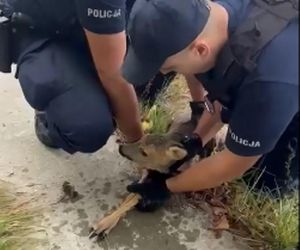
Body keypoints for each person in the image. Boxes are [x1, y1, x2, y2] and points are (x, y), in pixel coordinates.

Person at [121, 0, 299, 210]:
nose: (164, 74)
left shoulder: (269, 82)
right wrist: (196, 141)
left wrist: (166, 186)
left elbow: (234, 164)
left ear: (200, 49)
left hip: (286, 79)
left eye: (170, 68)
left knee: (264, 184)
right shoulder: (211, 18)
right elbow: (224, 88)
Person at [0, 0, 175, 154]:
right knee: (88, 126)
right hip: (41, 30)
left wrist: (199, 109)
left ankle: (114, 100)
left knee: (171, 48)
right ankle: (49, 107)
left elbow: (191, 28)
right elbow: (112, 74)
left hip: (91, 24)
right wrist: (137, 145)